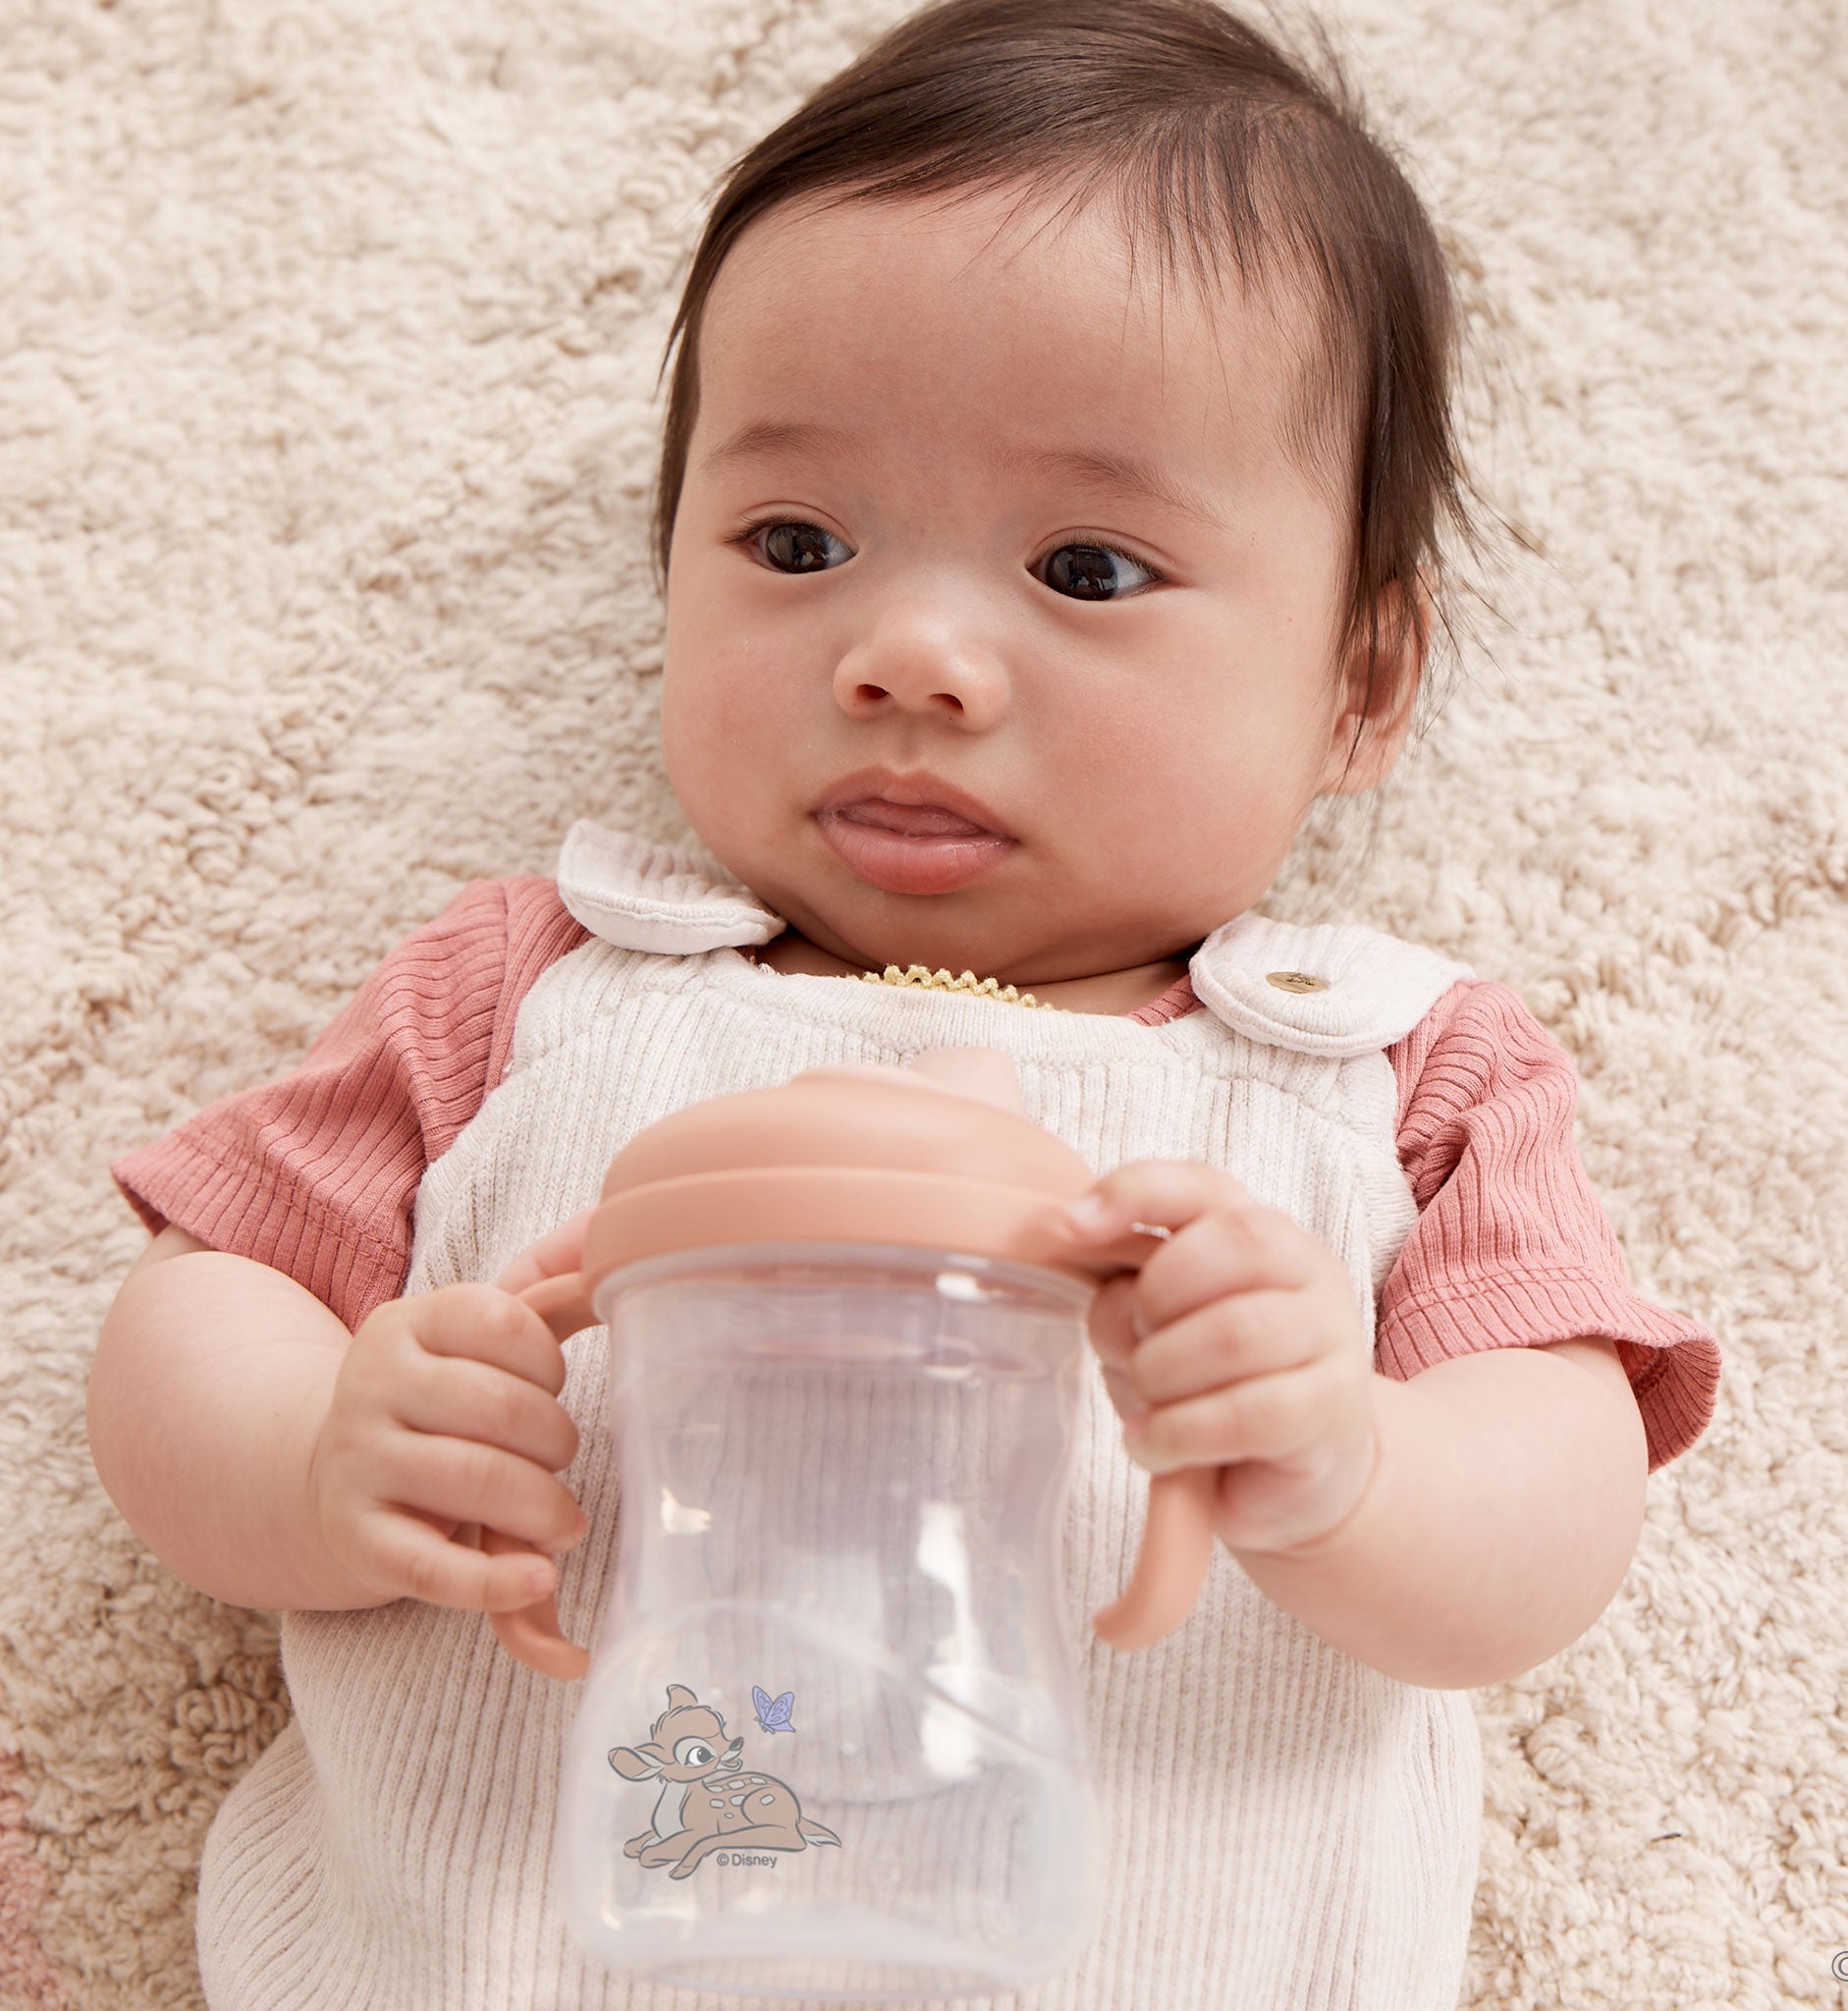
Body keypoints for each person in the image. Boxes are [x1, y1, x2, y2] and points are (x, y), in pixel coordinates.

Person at [88, 1, 1721, 2004]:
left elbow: (1552, 1516)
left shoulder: (1391, 1073)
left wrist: (1355, 1462)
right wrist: (314, 1448)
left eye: (1088, 566)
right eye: (797, 541)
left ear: (1362, 682)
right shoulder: (533, 988)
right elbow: (200, 1297)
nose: (912, 653)